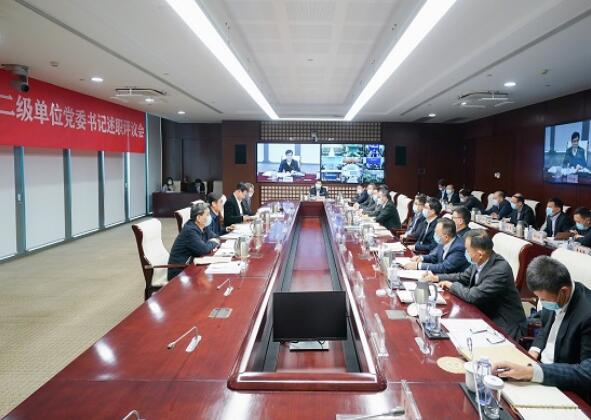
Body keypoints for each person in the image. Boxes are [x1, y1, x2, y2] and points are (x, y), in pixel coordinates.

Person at [494, 256, 591, 403]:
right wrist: (534, 351)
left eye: (544, 300)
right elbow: (546, 328)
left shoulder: (587, 313)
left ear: (563, 292)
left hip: (565, 386)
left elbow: (586, 373)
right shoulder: (555, 296)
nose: (542, 303)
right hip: (538, 367)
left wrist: (533, 372)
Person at [425, 230, 527, 340]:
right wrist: (437, 278)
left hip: (503, 323)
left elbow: (473, 296)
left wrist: (451, 285)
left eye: (468, 250)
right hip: (482, 312)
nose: (466, 253)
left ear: (480, 254)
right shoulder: (480, 260)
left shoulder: (499, 270)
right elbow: (463, 276)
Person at [167, 202, 221, 280]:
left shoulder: (203, 226)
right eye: (207, 214)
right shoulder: (190, 231)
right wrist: (213, 242)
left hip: (191, 266)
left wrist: (212, 242)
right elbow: (204, 249)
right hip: (179, 272)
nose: (209, 217)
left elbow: (216, 237)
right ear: (198, 218)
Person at [404, 218, 469, 274]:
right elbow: (434, 257)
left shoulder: (459, 247)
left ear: (446, 237)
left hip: (450, 280)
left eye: (437, 233)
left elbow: (444, 267)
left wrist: (419, 266)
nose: (435, 235)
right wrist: (421, 258)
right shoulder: (444, 241)